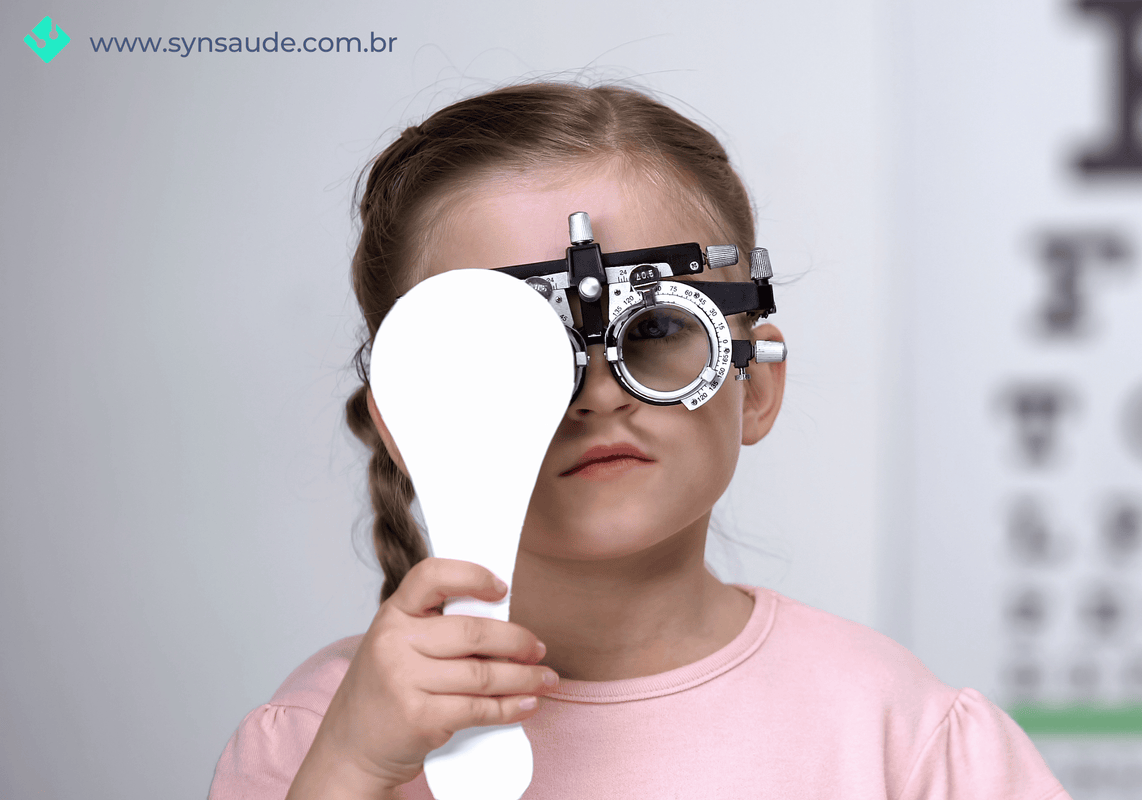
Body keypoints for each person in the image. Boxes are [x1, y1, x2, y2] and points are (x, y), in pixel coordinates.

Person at [208, 81, 1069, 800]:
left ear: (756, 381)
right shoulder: (316, 742)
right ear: (413, 426)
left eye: (652, 331)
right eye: (513, 357)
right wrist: (355, 770)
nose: (595, 395)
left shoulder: (904, 739)